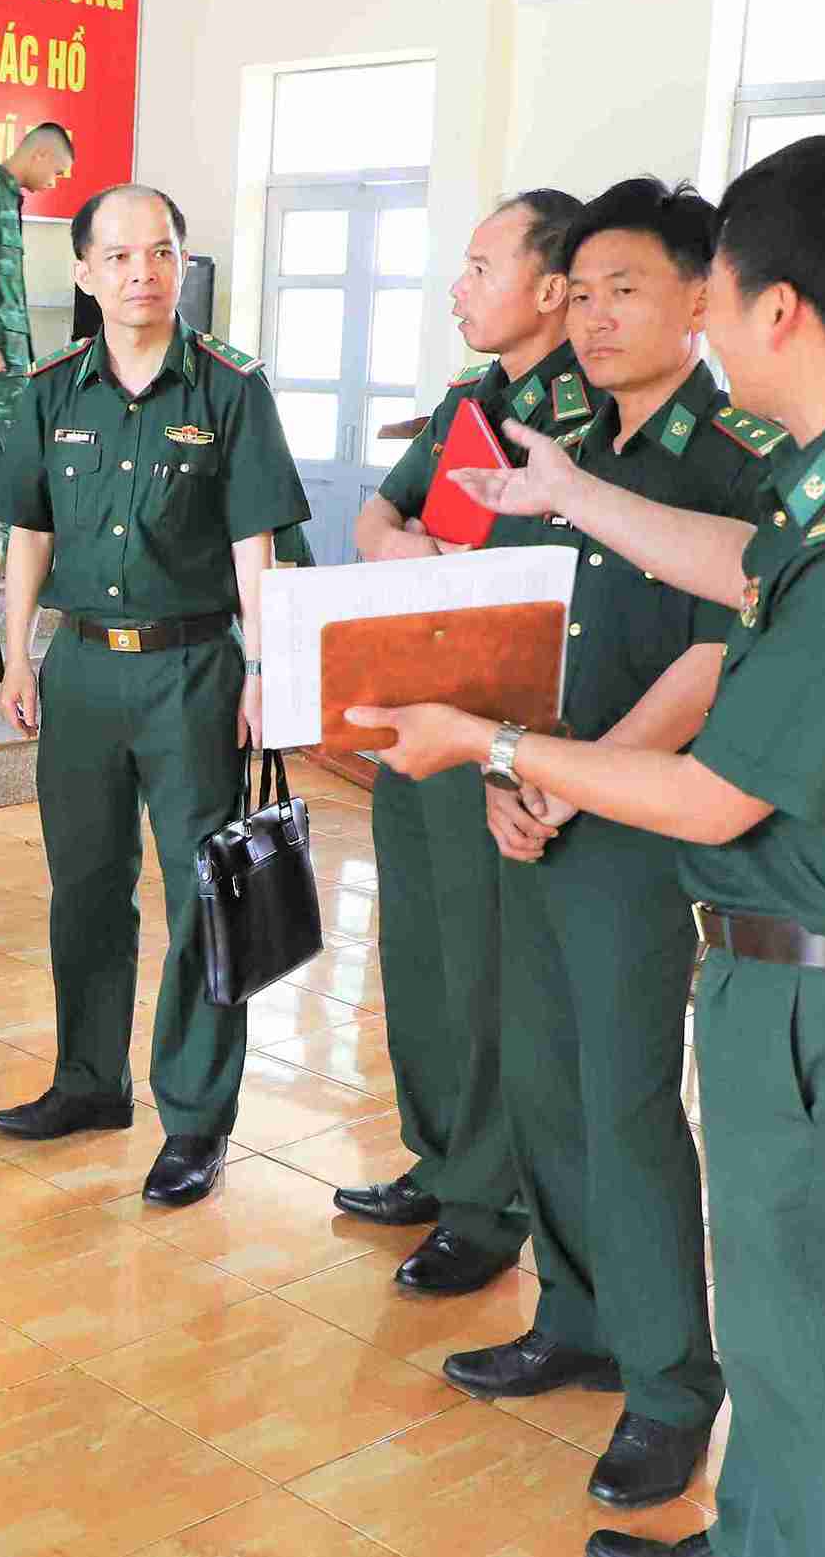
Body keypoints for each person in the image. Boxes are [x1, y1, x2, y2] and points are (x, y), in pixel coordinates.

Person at [350, 133, 825, 1557]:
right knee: (791, 1318)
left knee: (816, 1331)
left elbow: (720, 789)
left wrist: (487, 749)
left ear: (772, 308)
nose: (694, 325)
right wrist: (573, 493)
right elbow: (748, 566)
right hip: (818, 955)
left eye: (704, 292)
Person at [443, 179, 772, 1508]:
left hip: (641, 822)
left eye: (621, 287)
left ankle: (667, 1386)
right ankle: (571, 1316)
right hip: (534, 801)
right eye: (574, 291)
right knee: (539, 1077)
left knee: (626, 1105)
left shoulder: (734, 455)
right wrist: (500, 767)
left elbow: (710, 661)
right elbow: (506, 619)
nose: (590, 314)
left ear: (699, 296)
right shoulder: (555, 438)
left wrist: (569, 781)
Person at [0, 184, 310, 1205]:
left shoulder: (228, 387)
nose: (141, 273)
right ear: (82, 273)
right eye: (118, 256)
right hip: (80, 667)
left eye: (159, 252)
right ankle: (87, 1080)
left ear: (179, 264)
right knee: (84, 887)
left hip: (191, 671)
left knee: (202, 895)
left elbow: (255, 542)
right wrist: (17, 654)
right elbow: (25, 530)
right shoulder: (48, 390)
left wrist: (263, 667)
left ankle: (195, 1118)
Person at [332, 190, 599, 1295]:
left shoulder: (588, 422)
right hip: (418, 710)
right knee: (421, 955)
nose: (457, 286)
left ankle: (491, 1203)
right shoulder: (465, 400)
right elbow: (374, 517)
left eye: (481, 267)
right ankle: (438, 1157)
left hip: (508, 726)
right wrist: (405, 557)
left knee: (492, 972)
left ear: (548, 289)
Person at [0, 123, 75, 424]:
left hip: (13, 354)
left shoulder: (9, 199)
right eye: (56, 172)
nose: (53, 183)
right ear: (40, 155)